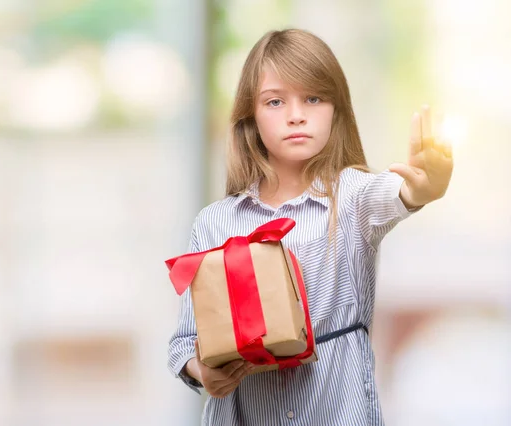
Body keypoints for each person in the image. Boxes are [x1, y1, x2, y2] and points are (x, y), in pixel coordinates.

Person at [167, 28, 453, 426]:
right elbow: (183, 342)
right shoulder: (215, 221)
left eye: (313, 98)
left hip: (337, 411)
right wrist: (204, 371)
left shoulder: (352, 197)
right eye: (275, 101)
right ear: (250, 115)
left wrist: (425, 189)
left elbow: (398, 194)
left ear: (337, 109)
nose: (296, 114)